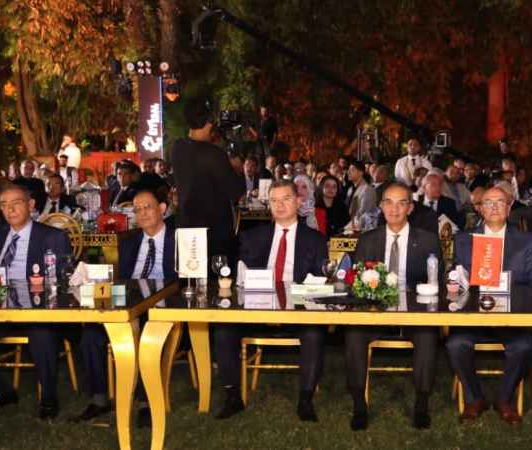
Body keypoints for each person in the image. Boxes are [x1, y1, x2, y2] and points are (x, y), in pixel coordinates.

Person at [0, 184, 71, 419]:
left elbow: (63, 281)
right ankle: (0, 390)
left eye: (16, 203)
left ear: (31, 205)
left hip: (37, 309)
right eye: (4, 205)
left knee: (42, 336)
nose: (10, 210)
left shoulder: (52, 236)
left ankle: (48, 397)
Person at [214, 180, 328, 421]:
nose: (280, 205)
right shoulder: (251, 237)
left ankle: (305, 399)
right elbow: (240, 278)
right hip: (256, 309)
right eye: (274, 200)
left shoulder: (315, 239)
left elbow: (319, 282)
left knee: (314, 332)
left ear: (299, 202)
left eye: (286, 199)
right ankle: (233, 396)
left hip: (298, 311)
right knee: (224, 329)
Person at [344, 182, 443, 431]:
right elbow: (356, 282)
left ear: (410, 208)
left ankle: (422, 401)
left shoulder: (428, 241)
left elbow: (437, 284)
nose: (394, 209)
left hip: (415, 313)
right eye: (388, 202)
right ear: (380, 206)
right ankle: (359, 403)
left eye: (401, 203)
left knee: (427, 333)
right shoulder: (368, 240)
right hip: (375, 312)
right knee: (354, 332)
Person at [73, 190, 175, 424]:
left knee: (148, 331)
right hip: (128, 303)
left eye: (147, 207)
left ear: (162, 209)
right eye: (137, 210)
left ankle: (146, 401)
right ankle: (99, 398)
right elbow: (119, 280)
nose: (142, 213)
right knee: (91, 334)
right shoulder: (128, 243)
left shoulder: (180, 240)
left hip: (162, 304)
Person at [447, 186, 532, 425]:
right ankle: (474, 398)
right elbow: (456, 279)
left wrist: (507, 288)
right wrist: (455, 282)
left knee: (523, 347)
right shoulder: (464, 239)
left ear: (509, 208)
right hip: (473, 316)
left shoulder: (527, 240)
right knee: (456, 344)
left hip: (512, 317)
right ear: (480, 208)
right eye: (488, 202)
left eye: (500, 202)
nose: (495, 207)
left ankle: (504, 399)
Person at [170, 96, 245, 259]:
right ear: (210, 121)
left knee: (188, 275)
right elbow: (237, 193)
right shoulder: (215, 155)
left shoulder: (177, 148)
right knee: (218, 275)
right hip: (214, 234)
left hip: (186, 230)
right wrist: (238, 169)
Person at [346, 160, 376, 225]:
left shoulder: (368, 190)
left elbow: (364, 212)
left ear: (360, 173)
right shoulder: (350, 189)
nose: (348, 172)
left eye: (352, 170)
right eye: (348, 170)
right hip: (349, 224)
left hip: (360, 226)